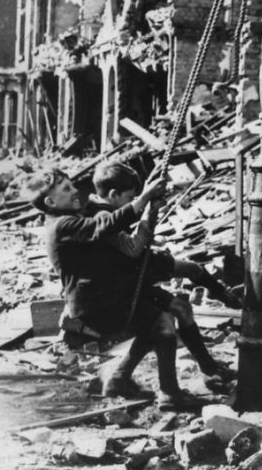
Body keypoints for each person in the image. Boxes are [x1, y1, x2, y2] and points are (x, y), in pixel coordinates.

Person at [23, 167, 188, 411]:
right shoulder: (63, 225)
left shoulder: (67, 220)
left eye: (72, 184)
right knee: (163, 323)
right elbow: (104, 226)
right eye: (66, 189)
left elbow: (106, 224)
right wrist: (143, 200)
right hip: (97, 306)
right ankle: (170, 394)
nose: (75, 190)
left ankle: (119, 380)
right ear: (50, 201)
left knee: (151, 326)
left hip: (101, 300)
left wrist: (145, 203)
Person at [89, 161, 237, 388]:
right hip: (123, 279)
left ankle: (209, 368)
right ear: (114, 194)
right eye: (130, 197)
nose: (132, 201)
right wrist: (149, 210)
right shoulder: (100, 216)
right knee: (162, 323)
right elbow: (132, 247)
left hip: (131, 269)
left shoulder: (109, 207)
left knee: (182, 306)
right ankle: (168, 389)